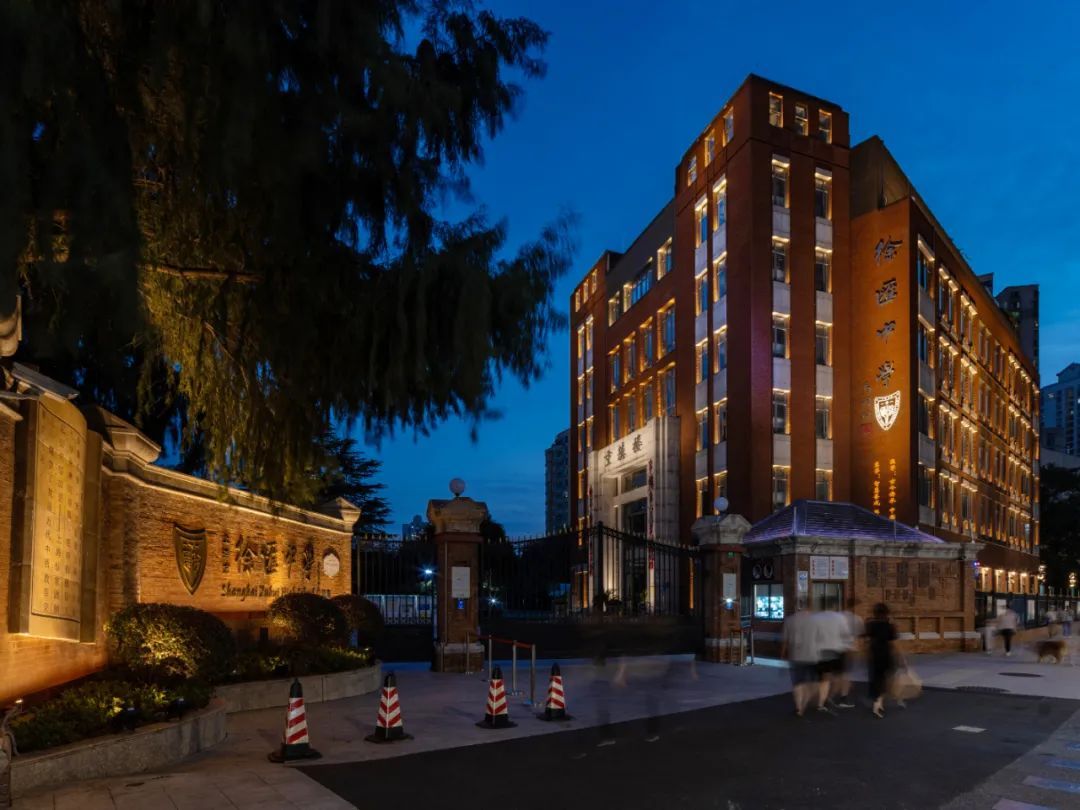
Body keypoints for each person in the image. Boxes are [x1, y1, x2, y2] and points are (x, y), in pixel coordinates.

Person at [781, 600, 818, 717]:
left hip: (795, 655)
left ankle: (798, 707)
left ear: (797, 607)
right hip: (812, 655)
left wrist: (783, 654)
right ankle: (804, 704)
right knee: (811, 683)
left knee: (797, 683)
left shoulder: (789, 620)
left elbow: (785, 641)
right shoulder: (815, 620)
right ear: (809, 607)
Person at [812, 597, 849, 713]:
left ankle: (821, 703)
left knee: (823, 678)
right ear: (834, 605)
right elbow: (845, 634)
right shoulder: (840, 617)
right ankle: (834, 698)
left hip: (820, 650)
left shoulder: (815, 618)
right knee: (839, 675)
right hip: (836, 650)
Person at [866, 602, 900, 718]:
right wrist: (901, 658)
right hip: (886, 655)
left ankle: (878, 701)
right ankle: (878, 703)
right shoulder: (889, 626)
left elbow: (867, 641)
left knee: (877, 679)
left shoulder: (870, 624)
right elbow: (894, 643)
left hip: (874, 655)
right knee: (886, 679)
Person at [834, 598, 865, 708]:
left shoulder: (837, 617)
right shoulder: (857, 619)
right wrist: (859, 650)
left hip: (836, 648)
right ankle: (843, 698)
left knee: (838, 673)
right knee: (846, 674)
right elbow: (859, 637)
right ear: (854, 606)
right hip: (849, 649)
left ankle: (830, 696)